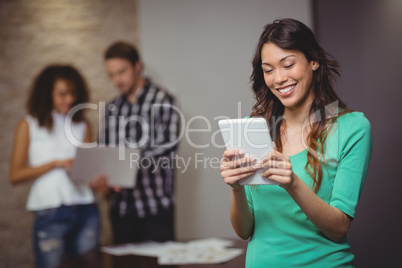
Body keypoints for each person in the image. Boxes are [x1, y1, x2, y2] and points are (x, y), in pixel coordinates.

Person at [220, 18, 372, 267]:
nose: (278, 78)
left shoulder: (352, 128)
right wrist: (236, 187)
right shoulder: (253, 127)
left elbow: (338, 228)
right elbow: (244, 230)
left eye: (287, 65)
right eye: (268, 70)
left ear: (313, 61)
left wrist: (291, 183)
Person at [9, 65, 100, 268]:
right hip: (50, 211)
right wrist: (56, 164)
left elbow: (88, 172)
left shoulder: (83, 125)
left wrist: (98, 178)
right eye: (62, 94)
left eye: (73, 93)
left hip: (86, 209)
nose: (69, 99)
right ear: (47, 93)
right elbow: (15, 175)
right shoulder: (29, 125)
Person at [92, 41, 180, 244]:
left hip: (156, 210)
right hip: (120, 210)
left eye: (121, 72)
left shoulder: (164, 101)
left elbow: (167, 149)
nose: (116, 80)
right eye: (111, 75)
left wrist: (122, 166)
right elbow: (103, 152)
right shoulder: (112, 108)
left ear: (137, 66)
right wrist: (100, 177)